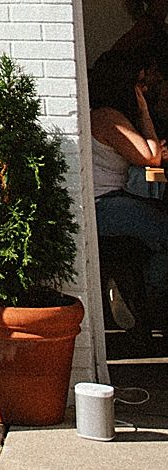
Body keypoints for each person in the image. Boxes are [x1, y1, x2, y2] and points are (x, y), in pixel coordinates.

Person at [89, 50, 168, 330]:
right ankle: (148, 300)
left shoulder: (104, 116)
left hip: (110, 202)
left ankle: (131, 290)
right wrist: (144, 111)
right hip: (104, 206)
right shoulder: (108, 118)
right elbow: (150, 159)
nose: (145, 90)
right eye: (140, 83)